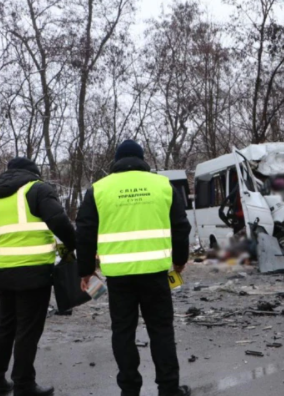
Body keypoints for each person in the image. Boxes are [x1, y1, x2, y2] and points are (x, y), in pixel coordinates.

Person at [76, 140, 192, 396]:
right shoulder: (163, 185)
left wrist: (85, 270)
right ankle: (169, 389)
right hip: (156, 275)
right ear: (142, 159)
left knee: (123, 332)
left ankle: (129, 390)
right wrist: (180, 260)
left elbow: (84, 232)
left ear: (116, 162)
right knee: (161, 330)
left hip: (119, 278)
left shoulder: (99, 189)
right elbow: (181, 226)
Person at [0, 158, 76, 396]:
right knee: (28, 329)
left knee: (5, 325)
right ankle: (24, 384)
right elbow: (59, 222)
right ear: (33, 173)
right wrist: (74, 245)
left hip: (2, 270)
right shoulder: (38, 189)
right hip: (33, 272)